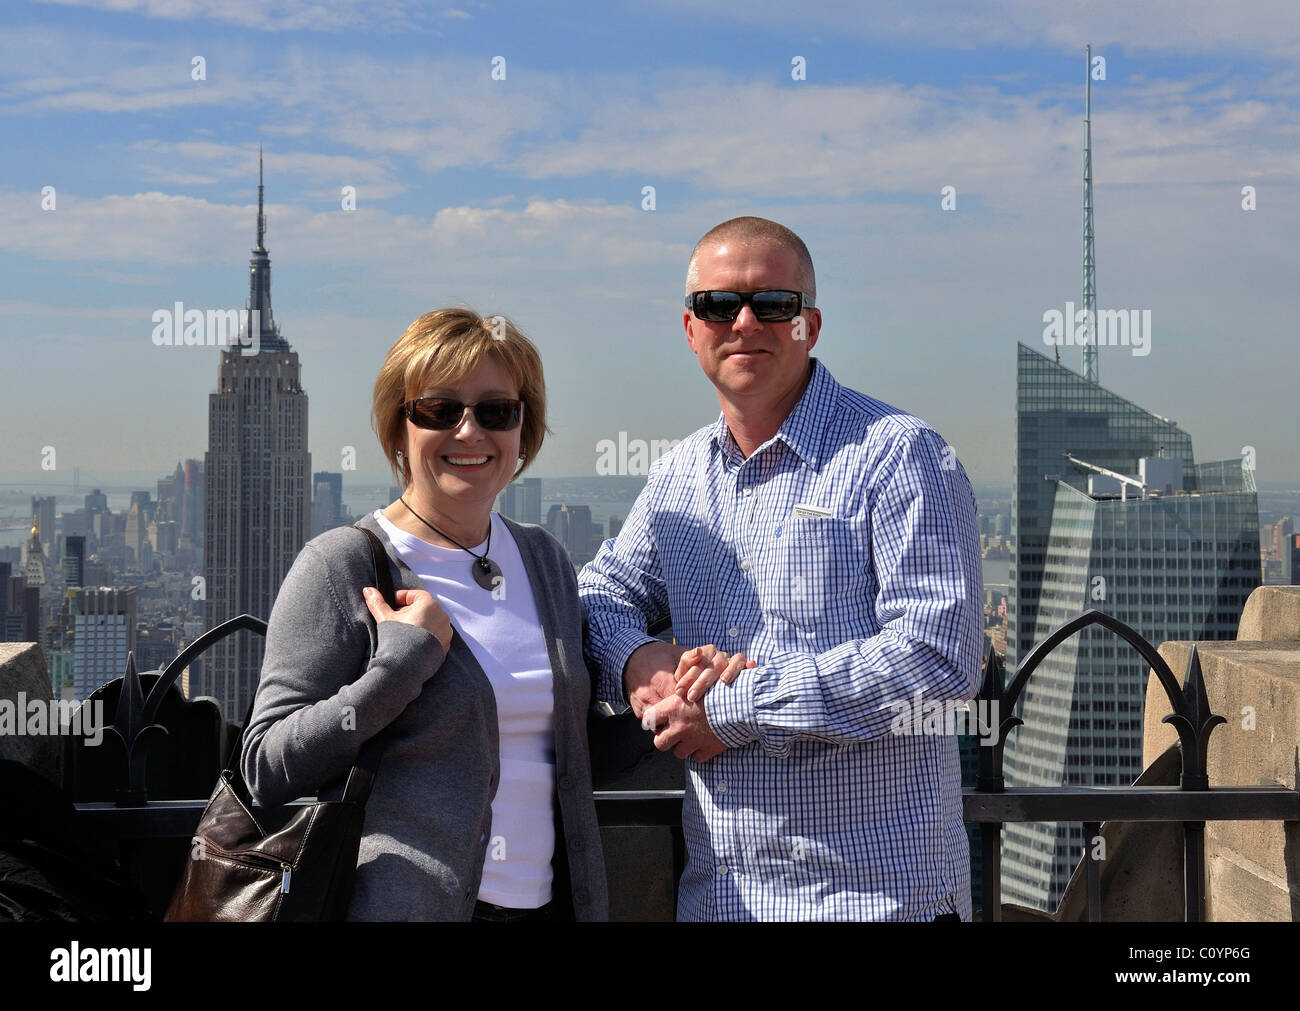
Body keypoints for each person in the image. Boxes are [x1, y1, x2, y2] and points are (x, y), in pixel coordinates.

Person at [579, 217, 983, 921]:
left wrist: (731, 710)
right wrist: (644, 664)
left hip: (880, 901)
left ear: (810, 326)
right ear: (689, 328)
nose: (744, 322)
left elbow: (940, 661)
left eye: (773, 304)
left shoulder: (897, 455)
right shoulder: (679, 477)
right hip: (722, 901)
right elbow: (598, 593)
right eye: (718, 305)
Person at [242, 307, 608, 921]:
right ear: (398, 427)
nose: (469, 432)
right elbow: (265, 767)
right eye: (439, 410)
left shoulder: (543, 559)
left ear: (524, 430)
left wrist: (665, 700)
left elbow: (559, 744)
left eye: (496, 411)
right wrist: (398, 669)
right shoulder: (344, 566)